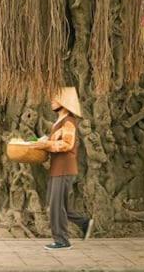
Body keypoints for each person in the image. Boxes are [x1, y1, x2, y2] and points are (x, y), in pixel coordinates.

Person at [35, 87, 94, 250]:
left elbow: (67, 144)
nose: (52, 101)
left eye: (55, 98)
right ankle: (84, 223)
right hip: (58, 168)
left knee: (56, 205)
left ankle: (62, 241)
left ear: (65, 102)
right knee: (60, 205)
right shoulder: (60, 121)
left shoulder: (68, 121)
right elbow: (56, 141)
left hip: (64, 168)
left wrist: (46, 144)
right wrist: (45, 142)